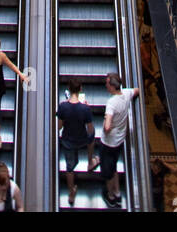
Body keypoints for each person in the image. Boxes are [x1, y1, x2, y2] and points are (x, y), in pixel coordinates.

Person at [100, 73, 140, 208]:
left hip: (108, 143)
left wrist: (106, 119)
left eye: (107, 83)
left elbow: (107, 127)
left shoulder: (111, 103)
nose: (105, 85)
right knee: (114, 165)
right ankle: (117, 192)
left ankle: (111, 196)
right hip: (119, 141)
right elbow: (136, 91)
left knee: (108, 172)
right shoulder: (126, 93)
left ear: (112, 86)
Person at [57, 79, 99, 207]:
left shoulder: (63, 106)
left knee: (69, 168)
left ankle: (71, 192)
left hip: (68, 141)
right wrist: (86, 110)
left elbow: (59, 127)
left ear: (69, 90)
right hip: (82, 140)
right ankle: (90, 161)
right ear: (80, 89)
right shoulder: (85, 108)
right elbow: (90, 129)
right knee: (92, 137)